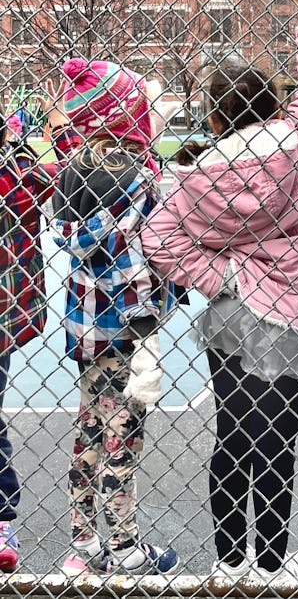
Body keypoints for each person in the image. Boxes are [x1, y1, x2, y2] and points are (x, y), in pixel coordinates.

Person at [143, 0, 298, 582]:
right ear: (273, 104)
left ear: (219, 116)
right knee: (276, 442)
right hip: (294, 309)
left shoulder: (199, 177)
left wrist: (220, 276)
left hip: (233, 311)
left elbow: (158, 238)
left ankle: (230, 561)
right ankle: (273, 563)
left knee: (233, 435)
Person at [50, 59, 180, 576]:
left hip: (86, 328)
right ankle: (125, 546)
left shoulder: (75, 174)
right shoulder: (135, 183)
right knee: (121, 439)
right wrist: (147, 331)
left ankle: (82, 544)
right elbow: (132, 264)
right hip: (126, 332)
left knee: (87, 433)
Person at [0, 97, 79, 572]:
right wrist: (60, 126)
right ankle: (1, 517)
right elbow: (74, 173)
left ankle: (2, 517)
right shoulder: (20, 175)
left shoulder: (18, 175)